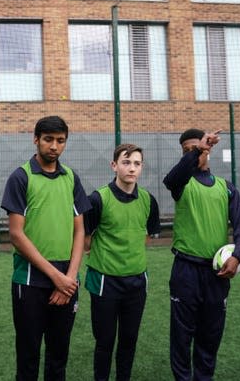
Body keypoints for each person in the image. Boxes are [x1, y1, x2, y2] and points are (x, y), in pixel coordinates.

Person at [1, 115, 91, 381]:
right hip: (30, 281)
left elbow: (80, 231)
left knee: (58, 357)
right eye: (49, 139)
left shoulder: (71, 178)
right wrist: (57, 278)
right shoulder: (21, 177)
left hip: (67, 280)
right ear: (36, 139)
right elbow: (16, 235)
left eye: (60, 141)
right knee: (28, 357)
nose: (54, 146)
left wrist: (70, 280)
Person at [163, 128, 240, 381]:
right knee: (181, 336)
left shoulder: (226, 187)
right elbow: (171, 179)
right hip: (185, 270)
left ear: (210, 151)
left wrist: (238, 256)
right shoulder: (181, 183)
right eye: (187, 150)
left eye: (197, 149)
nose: (193, 153)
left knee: (210, 335)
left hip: (216, 274)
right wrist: (199, 148)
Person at [83, 143, 161, 381]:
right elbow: (85, 240)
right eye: (126, 163)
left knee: (129, 341)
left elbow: (146, 236)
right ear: (114, 165)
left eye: (137, 163)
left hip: (137, 281)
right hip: (105, 281)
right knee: (105, 342)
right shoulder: (97, 199)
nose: (131, 168)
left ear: (141, 168)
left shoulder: (149, 200)